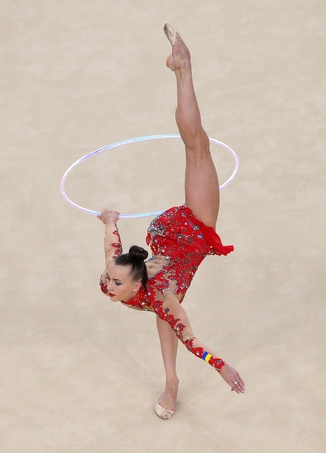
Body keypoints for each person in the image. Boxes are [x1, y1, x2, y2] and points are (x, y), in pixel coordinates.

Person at [97, 24, 245, 420]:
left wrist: (221, 366)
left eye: (114, 282)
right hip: (167, 237)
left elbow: (192, 341)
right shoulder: (125, 277)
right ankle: (172, 382)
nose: (107, 285)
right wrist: (109, 221)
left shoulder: (162, 297)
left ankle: (184, 68)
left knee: (197, 145)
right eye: (111, 279)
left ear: (137, 285)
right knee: (162, 311)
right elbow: (112, 246)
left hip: (192, 229)